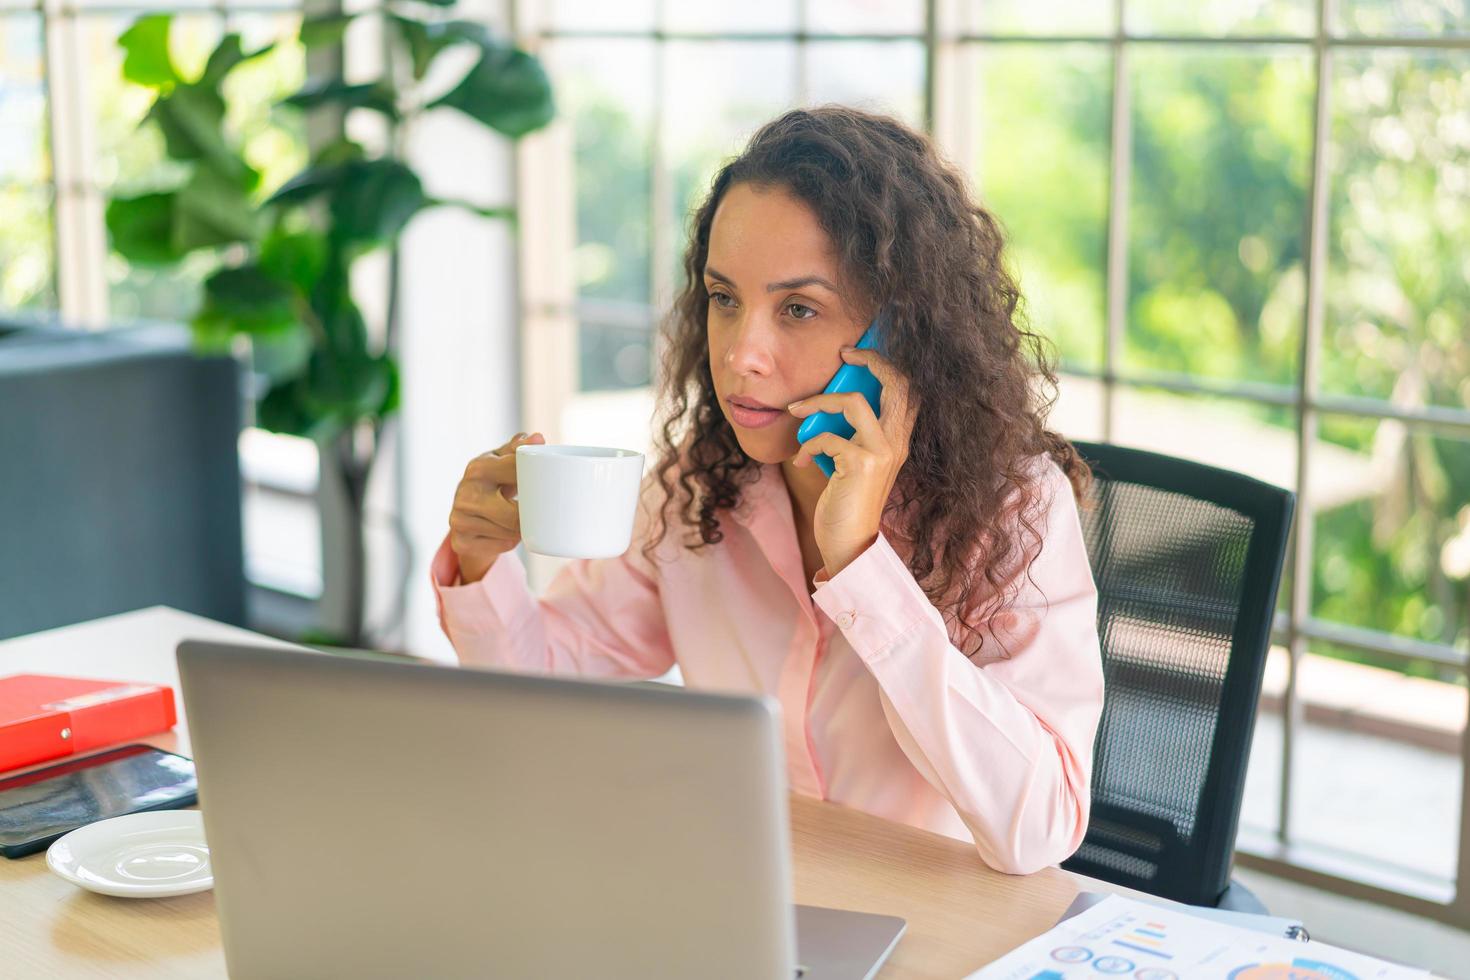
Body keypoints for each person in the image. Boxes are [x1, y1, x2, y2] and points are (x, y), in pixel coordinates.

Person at [429, 106, 1104, 876]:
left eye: (798, 309)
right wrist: (482, 565)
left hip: (931, 932)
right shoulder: (697, 485)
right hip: (749, 905)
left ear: (899, 334)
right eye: (724, 299)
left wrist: (859, 565)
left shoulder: (1015, 507)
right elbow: (545, 688)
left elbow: (1040, 829)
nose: (741, 355)